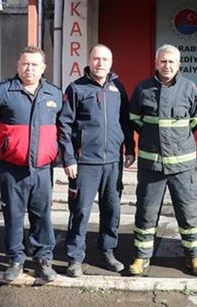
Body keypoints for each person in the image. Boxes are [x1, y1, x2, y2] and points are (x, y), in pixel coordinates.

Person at [0, 46, 62, 282]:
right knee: (13, 215)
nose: (29, 68)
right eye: (25, 63)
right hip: (12, 169)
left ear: (43, 68)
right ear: (18, 65)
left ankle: (43, 259)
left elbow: (61, 125)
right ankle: (15, 259)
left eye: (35, 64)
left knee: (42, 215)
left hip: (42, 169)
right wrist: (10, 144)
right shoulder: (2, 92)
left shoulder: (54, 94)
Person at [127, 44, 197, 276]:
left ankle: (194, 257)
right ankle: (141, 258)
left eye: (171, 62)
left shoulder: (190, 88)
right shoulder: (143, 88)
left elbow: (194, 120)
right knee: (146, 211)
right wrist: (153, 137)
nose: (167, 65)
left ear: (179, 64)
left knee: (188, 211)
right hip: (152, 164)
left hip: (182, 165)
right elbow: (134, 119)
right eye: (163, 61)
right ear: (156, 63)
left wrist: (176, 141)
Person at [58, 45, 136, 277]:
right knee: (80, 211)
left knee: (111, 210)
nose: (100, 63)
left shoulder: (117, 88)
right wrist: (69, 158)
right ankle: (74, 258)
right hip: (85, 164)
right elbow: (64, 125)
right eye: (96, 58)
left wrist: (130, 148)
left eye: (105, 59)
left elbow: (126, 121)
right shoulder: (76, 88)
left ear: (111, 63)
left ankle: (107, 252)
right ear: (89, 61)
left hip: (113, 162)